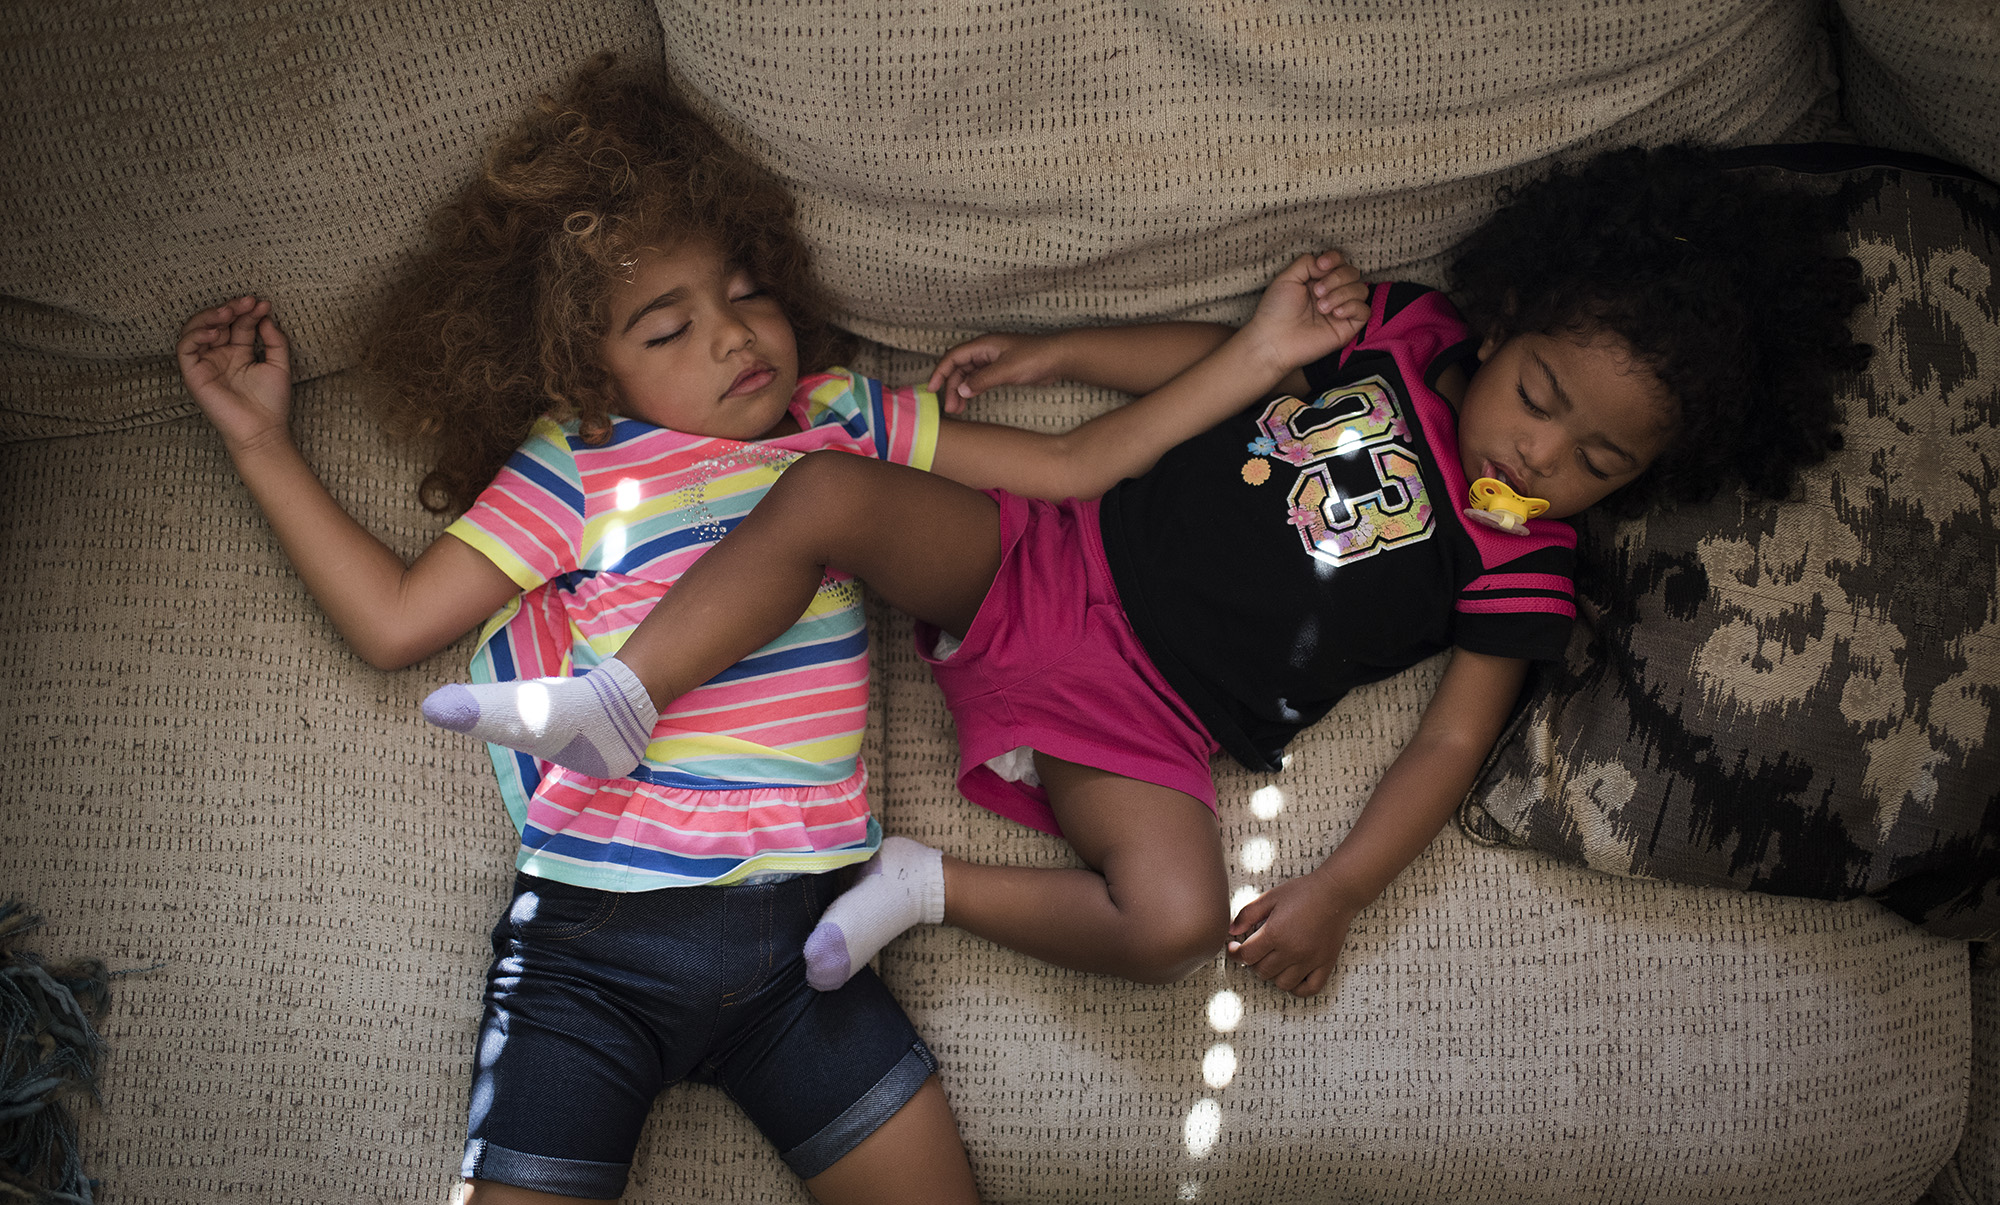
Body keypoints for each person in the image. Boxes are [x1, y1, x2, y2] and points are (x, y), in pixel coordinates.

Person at [424, 144, 1869, 1010]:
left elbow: (1450, 736)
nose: (1549, 454)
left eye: (1603, 460)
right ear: (1504, 323)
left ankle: (922, 885)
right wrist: (1059, 355)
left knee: (1174, 927)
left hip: (1142, 731)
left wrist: (1345, 889)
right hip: (1045, 563)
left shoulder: (1527, 563)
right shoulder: (1404, 336)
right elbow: (1209, 361)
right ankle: (620, 697)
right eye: (1544, 396)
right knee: (822, 489)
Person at [177, 58, 1020, 1205]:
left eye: (745, 295)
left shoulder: (837, 421)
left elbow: (1044, 486)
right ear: (590, 370)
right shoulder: (575, 467)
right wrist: (258, 438)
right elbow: (396, 622)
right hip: (589, 950)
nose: (732, 337)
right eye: (667, 328)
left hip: (804, 946)